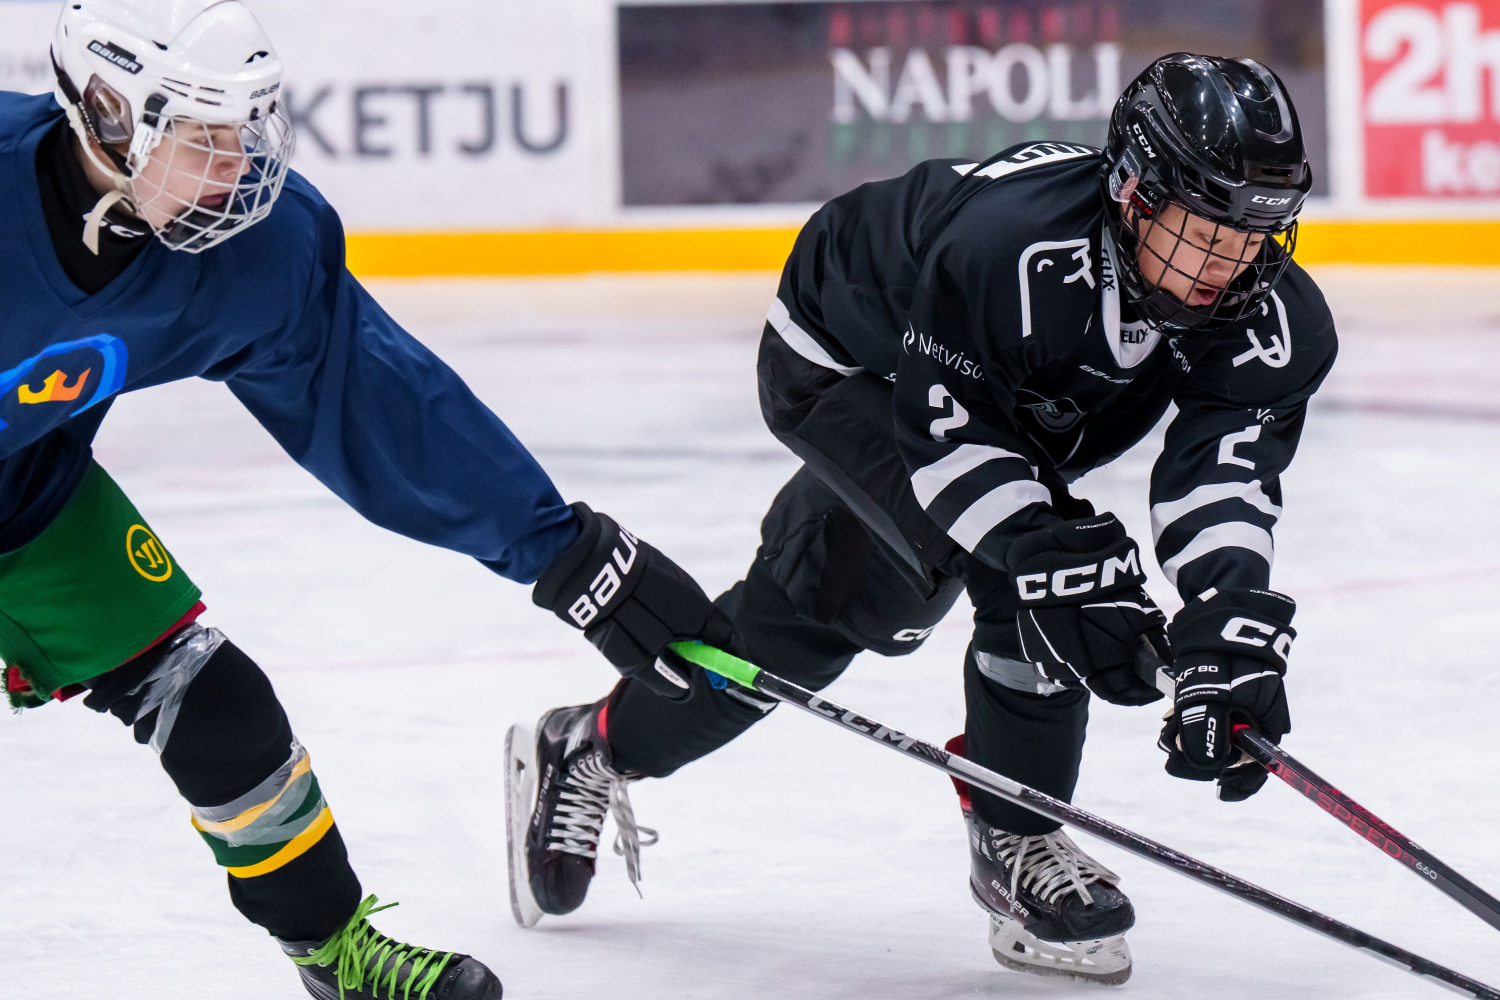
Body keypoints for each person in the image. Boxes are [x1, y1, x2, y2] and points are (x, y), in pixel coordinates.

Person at [507, 53, 1335, 985]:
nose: (1229, 265)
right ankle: (1016, 842)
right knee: (1032, 574)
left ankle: (590, 744)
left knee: (811, 631)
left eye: (1255, 235)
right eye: (1203, 232)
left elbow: (1218, 483)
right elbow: (958, 443)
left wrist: (1225, 628)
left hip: (1016, 402)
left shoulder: (1271, 316)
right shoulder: (1007, 251)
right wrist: (1053, 567)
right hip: (849, 363)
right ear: (1135, 194)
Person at [0, 1, 735, 997]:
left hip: (27, 497)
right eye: (204, 137)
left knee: (218, 708)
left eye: (246, 131)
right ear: (108, 112)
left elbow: (376, 403)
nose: (238, 167)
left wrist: (560, 550)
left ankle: (336, 953)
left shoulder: (246, 258)